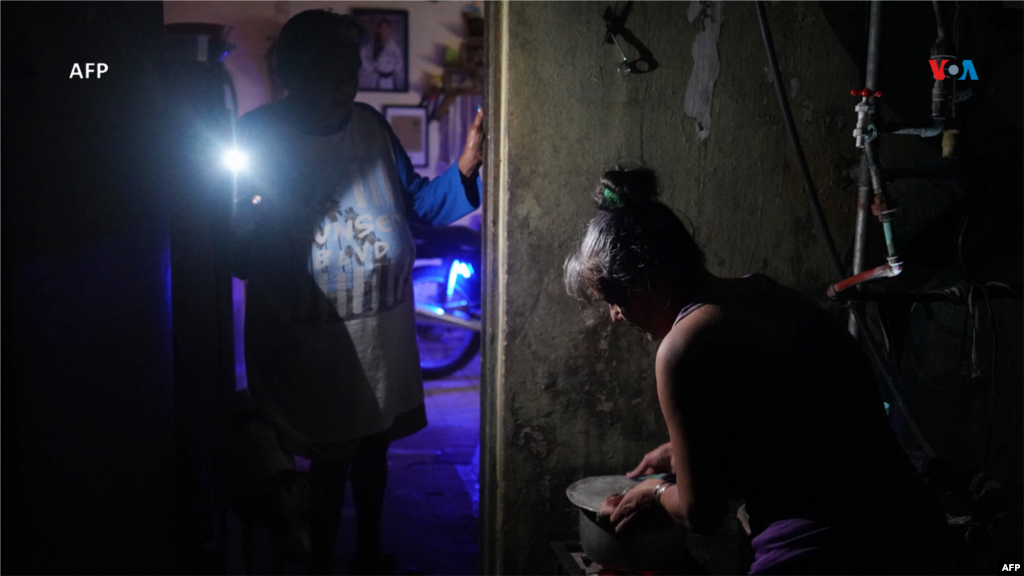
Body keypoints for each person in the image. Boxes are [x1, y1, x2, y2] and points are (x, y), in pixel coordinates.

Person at [564, 167, 951, 575]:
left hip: (831, 550)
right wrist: (688, 451)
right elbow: (796, 433)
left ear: (648, 278)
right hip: (912, 526)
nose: (615, 315)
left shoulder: (682, 347)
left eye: (615, 296)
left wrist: (652, 493)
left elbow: (702, 515)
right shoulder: (764, 292)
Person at [230, 10, 483, 576]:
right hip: (307, 341)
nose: (349, 75)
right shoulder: (258, 136)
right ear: (295, 69)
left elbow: (418, 202)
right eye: (332, 63)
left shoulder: (369, 125)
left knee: (372, 447)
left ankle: (368, 549)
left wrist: (465, 169)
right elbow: (233, 243)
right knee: (324, 458)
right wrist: (252, 238)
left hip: (377, 335)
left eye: (352, 63)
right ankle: (318, 558)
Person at [359, 18, 405, 91]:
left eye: (386, 28)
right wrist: (371, 68)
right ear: (378, 29)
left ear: (390, 30)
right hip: (375, 77)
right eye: (382, 28)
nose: (384, 30)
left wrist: (393, 69)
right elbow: (363, 57)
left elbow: (400, 62)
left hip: (389, 79)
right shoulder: (371, 45)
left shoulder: (394, 46)